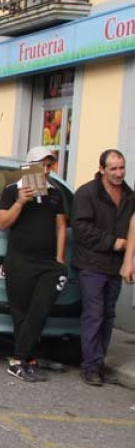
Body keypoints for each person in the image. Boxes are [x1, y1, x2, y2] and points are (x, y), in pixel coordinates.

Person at [0, 146, 68, 382]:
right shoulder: (10, 191)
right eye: (41, 166)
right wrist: (20, 202)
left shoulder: (56, 193)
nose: (46, 171)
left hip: (47, 263)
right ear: (29, 167)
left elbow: (60, 227)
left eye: (50, 165)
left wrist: (59, 259)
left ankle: (19, 358)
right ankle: (27, 359)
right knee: (21, 313)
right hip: (20, 261)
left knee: (40, 310)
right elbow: (2, 223)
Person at [73, 149, 131, 386]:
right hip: (91, 264)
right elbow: (80, 228)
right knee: (94, 315)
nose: (119, 173)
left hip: (115, 266)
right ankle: (90, 367)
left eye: (122, 167)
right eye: (113, 169)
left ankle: (98, 361)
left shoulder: (129, 196)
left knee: (108, 315)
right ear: (102, 170)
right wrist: (113, 242)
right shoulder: (87, 193)